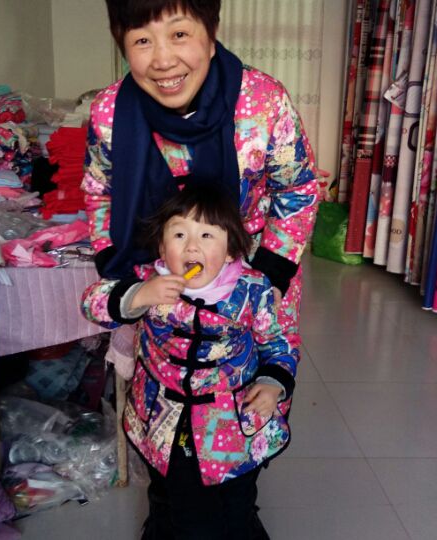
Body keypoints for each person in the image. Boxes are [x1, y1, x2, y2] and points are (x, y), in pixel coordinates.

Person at [81, 0, 319, 536]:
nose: (163, 59)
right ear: (122, 44)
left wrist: (264, 278)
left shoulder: (262, 101)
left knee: (238, 430)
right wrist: (124, 276)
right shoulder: (110, 112)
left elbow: (299, 189)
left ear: (211, 34)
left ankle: (235, 501)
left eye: (179, 34)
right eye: (142, 40)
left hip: (254, 280)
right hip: (161, 286)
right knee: (165, 427)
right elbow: (99, 192)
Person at [82, 184, 297, 538]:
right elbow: (92, 303)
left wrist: (273, 382)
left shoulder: (253, 288)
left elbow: (280, 341)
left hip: (230, 422)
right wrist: (139, 295)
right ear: (162, 247)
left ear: (230, 251)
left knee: (236, 498)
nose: (192, 246)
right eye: (179, 234)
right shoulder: (150, 280)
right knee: (170, 495)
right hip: (162, 416)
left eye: (207, 235)